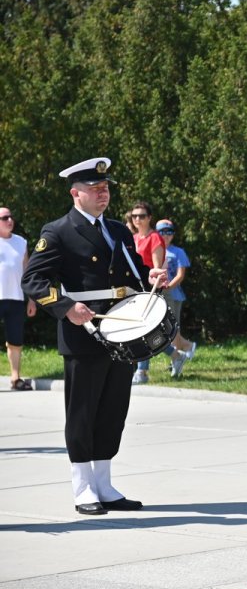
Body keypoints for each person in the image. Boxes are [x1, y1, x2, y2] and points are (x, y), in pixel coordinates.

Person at [21, 157, 166, 515]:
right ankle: (83, 487)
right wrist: (65, 306)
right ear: (76, 193)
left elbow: (130, 275)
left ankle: (104, 483)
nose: (103, 194)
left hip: (122, 332)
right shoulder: (58, 231)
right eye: (95, 189)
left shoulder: (117, 230)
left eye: (105, 188)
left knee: (112, 410)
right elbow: (33, 281)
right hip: (83, 333)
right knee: (82, 412)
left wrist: (149, 278)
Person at [129, 202, 187, 383]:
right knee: (146, 333)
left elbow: (156, 268)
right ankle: (176, 355)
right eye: (135, 216)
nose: (138, 219)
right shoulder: (134, 238)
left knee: (142, 331)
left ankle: (142, 372)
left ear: (149, 218)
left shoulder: (154, 238)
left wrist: (153, 288)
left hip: (150, 289)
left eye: (142, 216)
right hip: (134, 290)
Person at [1, 206, 37, 390]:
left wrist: (32, 299)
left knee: (15, 340)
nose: (9, 220)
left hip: (15, 298)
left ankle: (16, 378)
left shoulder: (20, 242)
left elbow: (27, 273)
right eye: (4, 218)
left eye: (10, 217)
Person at [156, 219, 197, 359]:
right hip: (157, 293)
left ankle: (177, 358)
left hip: (173, 294)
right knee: (163, 328)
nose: (165, 235)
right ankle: (187, 346)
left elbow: (180, 274)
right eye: (162, 232)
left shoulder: (178, 252)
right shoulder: (155, 250)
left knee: (173, 328)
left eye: (169, 232)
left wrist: (168, 286)